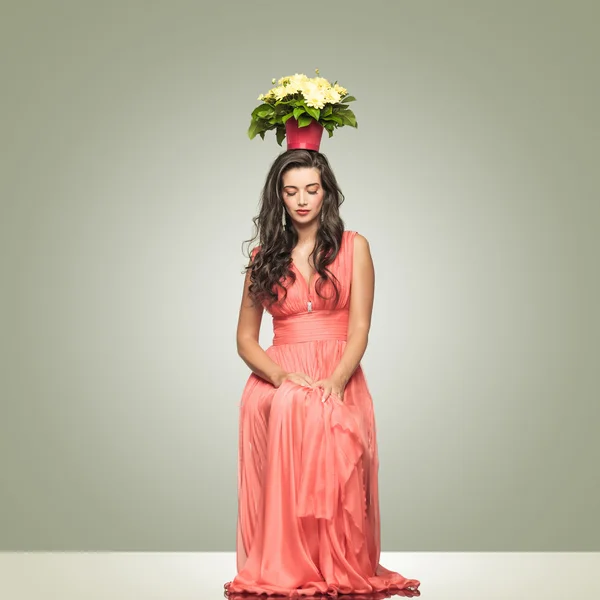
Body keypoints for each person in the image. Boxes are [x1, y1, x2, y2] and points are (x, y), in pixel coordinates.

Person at [224, 142, 421, 597]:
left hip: (338, 371)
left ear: (327, 193)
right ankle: (286, 563)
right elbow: (245, 339)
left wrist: (335, 380)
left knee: (325, 423)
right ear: (279, 197)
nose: (302, 200)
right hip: (278, 373)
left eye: (311, 189)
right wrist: (279, 377)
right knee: (293, 405)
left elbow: (360, 329)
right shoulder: (263, 258)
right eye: (291, 191)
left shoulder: (355, 248)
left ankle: (337, 563)